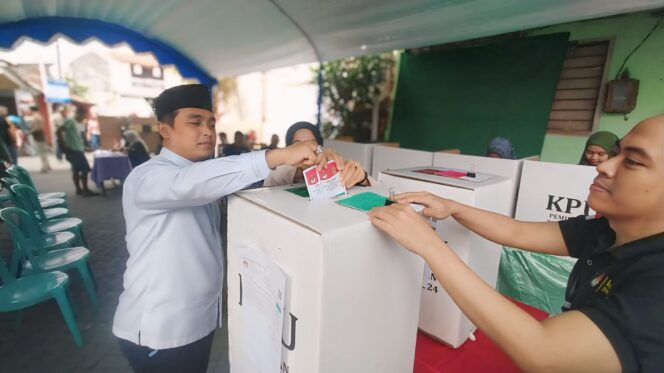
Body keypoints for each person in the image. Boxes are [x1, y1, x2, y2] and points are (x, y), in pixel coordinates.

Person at [369, 115, 664, 372]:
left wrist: (429, 245)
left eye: (634, 161)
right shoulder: (608, 229)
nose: (605, 166)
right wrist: (453, 206)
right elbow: (517, 232)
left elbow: (544, 352)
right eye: (617, 152)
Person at [113, 84, 332, 373]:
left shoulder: (200, 172)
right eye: (195, 122)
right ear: (164, 129)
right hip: (161, 330)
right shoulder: (146, 178)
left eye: (211, 123)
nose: (207, 131)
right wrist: (278, 156)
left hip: (197, 324)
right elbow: (190, 183)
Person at [264, 121, 371, 188]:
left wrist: (362, 178)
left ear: (321, 147)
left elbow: (370, 187)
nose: (306, 151)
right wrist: (302, 170)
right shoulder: (278, 173)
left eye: (312, 143)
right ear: (288, 149)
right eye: (298, 145)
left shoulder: (333, 166)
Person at [59, 107, 98, 196]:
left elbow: (82, 137)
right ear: (78, 113)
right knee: (83, 169)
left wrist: (87, 146)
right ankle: (83, 189)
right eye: (82, 116)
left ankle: (81, 189)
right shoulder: (70, 121)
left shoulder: (80, 124)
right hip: (72, 149)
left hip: (79, 148)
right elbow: (59, 131)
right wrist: (63, 145)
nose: (83, 118)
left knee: (78, 170)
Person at [28, 106, 51, 173]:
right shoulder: (39, 116)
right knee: (43, 151)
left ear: (32, 110)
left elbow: (36, 128)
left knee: (41, 152)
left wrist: (30, 132)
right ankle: (47, 165)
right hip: (41, 135)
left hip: (38, 136)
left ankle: (44, 167)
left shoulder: (36, 117)